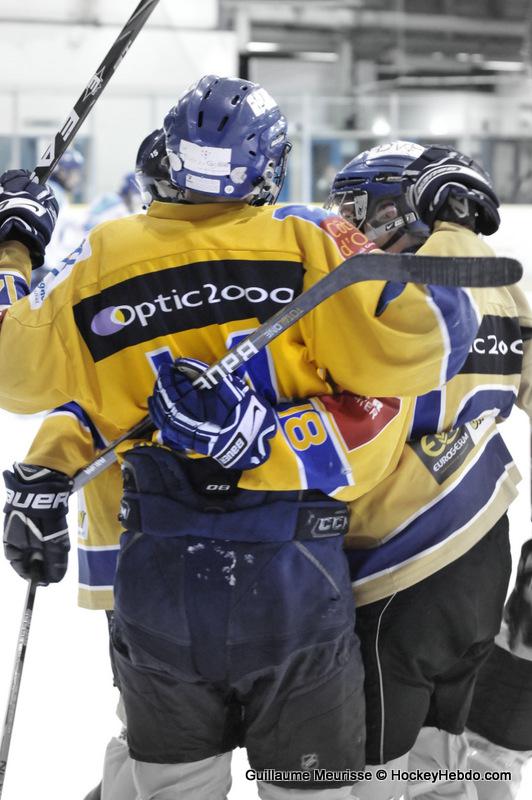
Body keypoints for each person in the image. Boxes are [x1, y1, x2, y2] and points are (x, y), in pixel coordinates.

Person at [0, 77, 481, 800]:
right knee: (305, 788)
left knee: (171, 784)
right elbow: (429, 339)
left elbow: (20, 371)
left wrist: (12, 242)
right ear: (269, 164)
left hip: (157, 577)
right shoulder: (305, 242)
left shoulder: (105, 256)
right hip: (289, 575)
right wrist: (441, 222)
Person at [324, 140, 532, 800]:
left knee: (371, 773)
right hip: (481, 555)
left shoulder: (398, 287)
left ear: (409, 204)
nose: (355, 228)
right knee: (440, 764)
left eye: (365, 210)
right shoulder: (503, 285)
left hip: (399, 559)